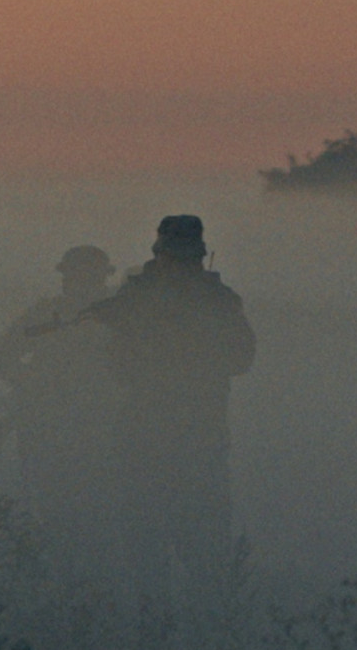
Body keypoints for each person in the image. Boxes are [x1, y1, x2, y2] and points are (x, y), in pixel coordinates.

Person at [87, 216, 256, 609]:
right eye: (174, 260)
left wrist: (186, 348)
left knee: (201, 545)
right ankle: (160, 623)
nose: (179, 269)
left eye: (184, 261)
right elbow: (114, 362)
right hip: (150, 434)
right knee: (147, 545)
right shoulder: (139, 300)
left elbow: (242, 357)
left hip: (194, 437)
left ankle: (203, 624)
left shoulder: (217, 303)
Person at [0, 246, 123, 580]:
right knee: (56, 512)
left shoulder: (119, 317)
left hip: (98, 430)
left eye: (85, 277)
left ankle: (86, 582)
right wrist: (36, 384)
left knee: (97, 514)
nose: (76, 284)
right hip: (50, 429)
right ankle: (64, 579)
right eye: (74, 276)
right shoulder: (47, 316)